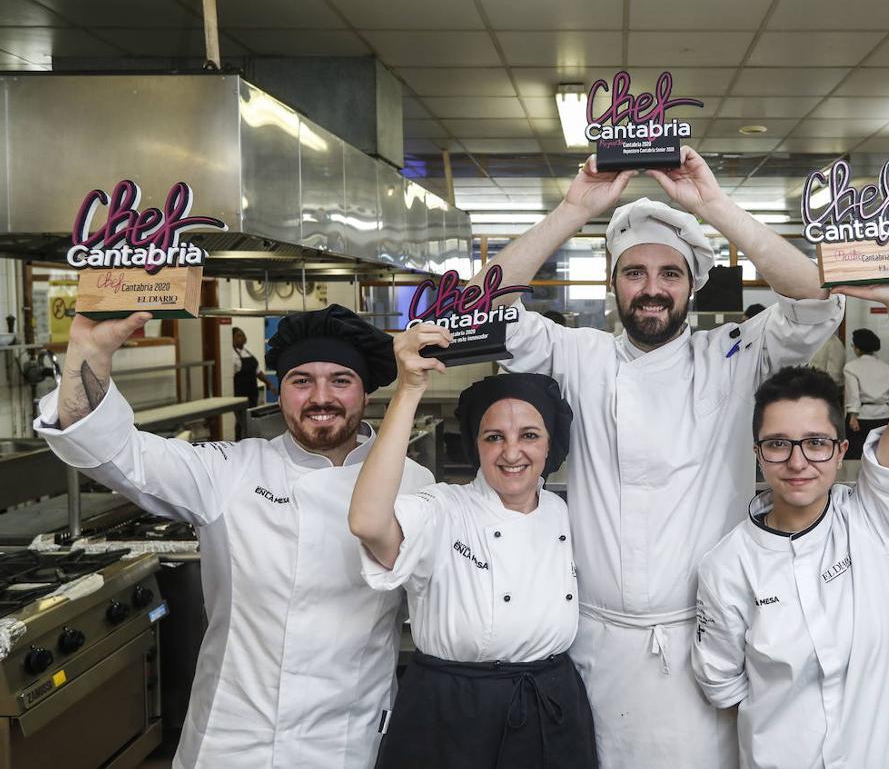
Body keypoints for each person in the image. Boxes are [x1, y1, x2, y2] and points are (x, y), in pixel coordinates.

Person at [469, 147, 843, 769]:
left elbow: (812, 299)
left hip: (701, 642)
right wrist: (573, 211)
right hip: (591, 642)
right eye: (633, 273)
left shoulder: (731, 352)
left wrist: (715, 207)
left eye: (669, 274)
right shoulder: (580, 354)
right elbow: (479, 312)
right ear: (611, 283)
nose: (651, 289)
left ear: (693, 283)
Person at [35, 304, 434, 769]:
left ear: (365, 392)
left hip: (345, 739)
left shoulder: (412, 483)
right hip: (231, 738)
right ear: (278, 391)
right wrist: (88, 351)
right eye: (301, 380)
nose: (320, 397)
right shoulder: (230, 469)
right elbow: (113, 452)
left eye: (340, 380)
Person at [692, 284, 889, 769]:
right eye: (777, 444)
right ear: (757, 453)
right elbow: (724, 687)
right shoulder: (727, 566)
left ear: (840, 451)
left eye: (816, 443)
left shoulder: (875, 519)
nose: (797, 462)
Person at [348, 324, 596, 769]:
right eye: (494, 436)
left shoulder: (561, 512)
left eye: (529, 436)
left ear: (551, 445)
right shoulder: (444, 508)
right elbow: (367, 522)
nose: (511, 452)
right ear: (476, 445)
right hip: (450, 715)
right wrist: (408, 391)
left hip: (551, 708)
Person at [843, 327, 889, 460]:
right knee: (879, 454)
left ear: (857, 348)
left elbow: (853, 394)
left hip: (861, 417)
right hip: (884, 415)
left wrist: (853, 416)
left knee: (857, 454)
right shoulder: (887, 367)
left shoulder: (851, 367)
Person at [232, 326, 267, 408]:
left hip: (253, 393)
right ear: (232, 339)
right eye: (239, 336)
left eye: (243, 335)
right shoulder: (231, 355)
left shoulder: (247, 352)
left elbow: (258, 372)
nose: (243, 337)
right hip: (240, 394)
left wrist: (269, 384)